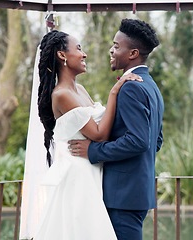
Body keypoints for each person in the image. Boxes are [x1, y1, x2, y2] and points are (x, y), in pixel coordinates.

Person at [20, 29, 141, 240]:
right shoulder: (62, 95)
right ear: (62, 55)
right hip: (79, 174)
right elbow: (100, 134)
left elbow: (102, 125)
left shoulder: (81, 89)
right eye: (78, 48)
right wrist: (114, 91)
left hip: (92, 169)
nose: (84, 54)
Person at [68, 18, 164, 240]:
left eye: (116, 46)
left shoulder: (131, 88)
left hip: (123, 196)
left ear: (133, 54)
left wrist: (93, 150)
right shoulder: (151, 86)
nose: (111, 50)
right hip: (135, 192)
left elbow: (139, 141)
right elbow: (155, 141)